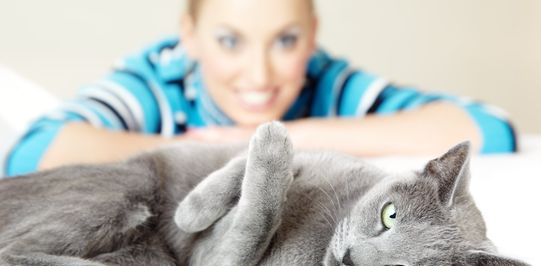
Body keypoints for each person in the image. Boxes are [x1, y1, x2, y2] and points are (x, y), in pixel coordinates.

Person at [4, 0, 516, 177]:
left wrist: (289, 137)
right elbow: (30, 155)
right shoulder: (159, 81)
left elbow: (490, 128)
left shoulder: (325, 81)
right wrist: (211, 150)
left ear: (311, 36)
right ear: (190, 36)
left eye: (285, 41)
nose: (259, 75)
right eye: (229, 41)